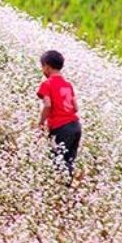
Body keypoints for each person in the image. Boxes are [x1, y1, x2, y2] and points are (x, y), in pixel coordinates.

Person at [37, 50, 81, 179]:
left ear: (47, 66)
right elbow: (76, 108)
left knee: (58, 161)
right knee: (69, 161)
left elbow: (48, 105)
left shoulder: (47, 84)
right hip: (76, 126)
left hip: (61, 127)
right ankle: (67, 190)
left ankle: (60, 188)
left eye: (42, 67)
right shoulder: (68, 85)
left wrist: (40, 123)